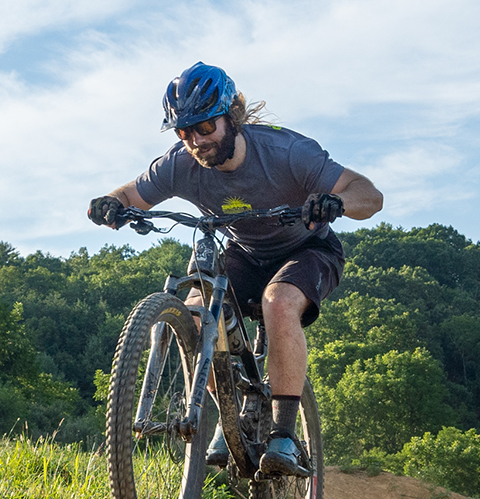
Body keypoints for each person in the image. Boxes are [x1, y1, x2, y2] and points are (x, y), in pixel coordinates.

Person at [88, 62, 382, 476]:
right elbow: (130, 194)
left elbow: (369, 194)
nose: (196, 140)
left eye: (205, 127)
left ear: (232, 115)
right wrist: (110, 203)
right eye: (184, 132)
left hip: (308, 249)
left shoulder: (287, 153)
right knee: (192, 312)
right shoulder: (179, 164)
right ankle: (234, 411)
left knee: (277, 302)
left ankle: (283, 435)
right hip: (244, 252)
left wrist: (337, 203)